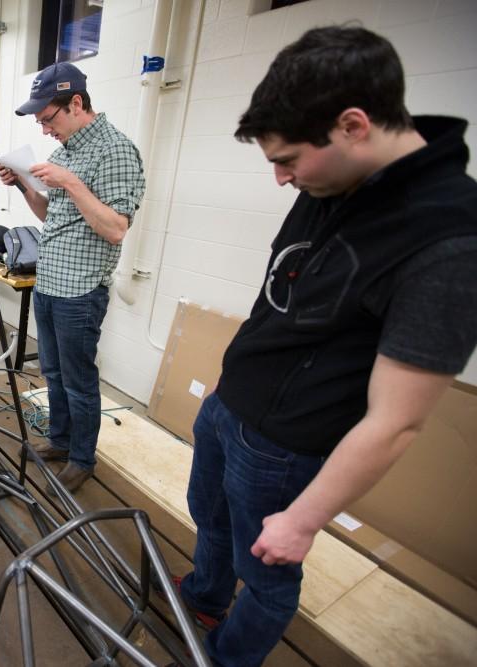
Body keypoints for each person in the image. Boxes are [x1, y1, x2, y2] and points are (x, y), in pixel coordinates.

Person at [175, 26, 477, 666]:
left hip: (284, 450)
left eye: (287, 160)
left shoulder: (447, 240)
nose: (281, 180)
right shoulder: (331, 181)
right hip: (233, 405)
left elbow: (398, 421)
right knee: (210, 516)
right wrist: (228, 387)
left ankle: (224, 658)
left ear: (354, 125)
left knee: (267, 576)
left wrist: (305, 519)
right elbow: (280, 296)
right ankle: (204, 592)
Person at [0, 62, 145, 492]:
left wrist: (72, 183)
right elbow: (52, 217)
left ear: (76, 103)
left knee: (79, 382)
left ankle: (83, 457)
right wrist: (24, 186)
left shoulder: (116, 150)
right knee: (54, 373)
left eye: (48, 119)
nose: (45, 130)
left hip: (80, 292)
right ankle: (61, 441)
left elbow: (116, 228)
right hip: (49, 283)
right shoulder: (64, 153)